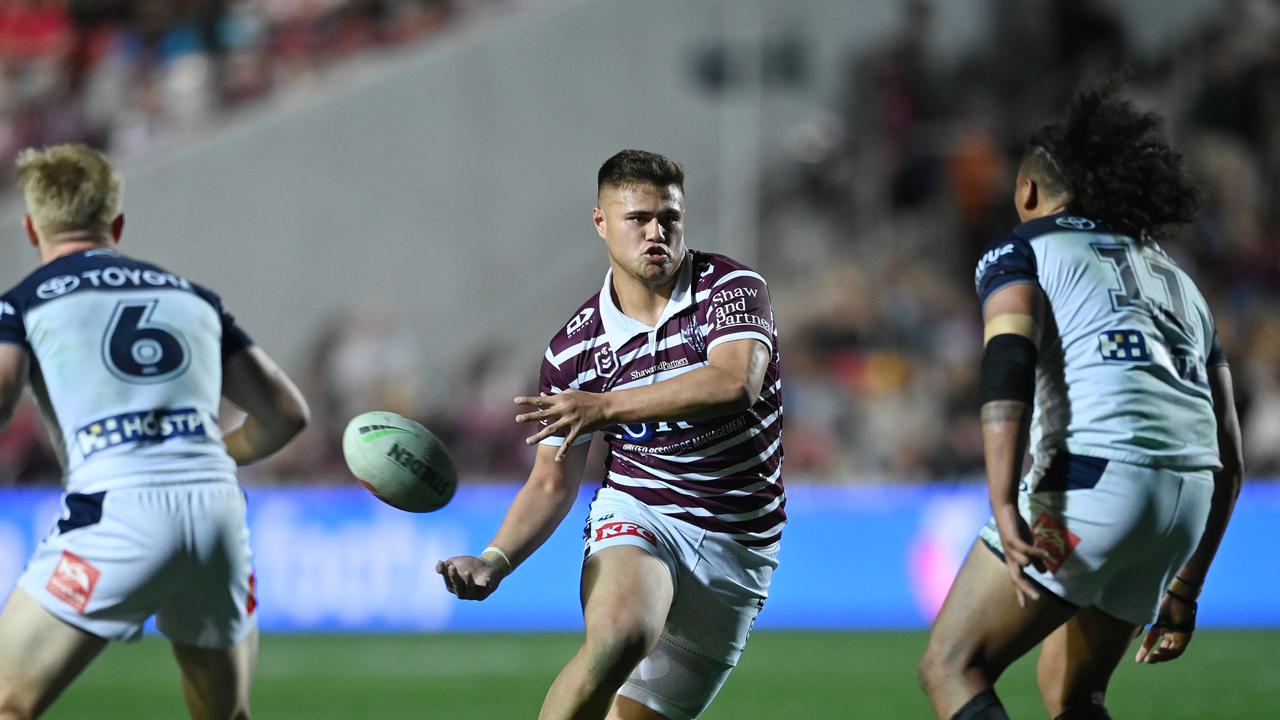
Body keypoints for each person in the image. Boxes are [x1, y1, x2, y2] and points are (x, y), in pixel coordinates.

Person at [918, 81, 1243, 720]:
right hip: (1187, 503)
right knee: (1073, 695)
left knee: (952, 666)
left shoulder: (1024, 249)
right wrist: (1188, 583)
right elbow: (1229, 454)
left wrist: (1004, 506)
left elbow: (1007, 363)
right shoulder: (1179, 280)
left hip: (1091, 483)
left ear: (1028, 192)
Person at [436, 149, 784, 720]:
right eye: (637, 219)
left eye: (668, 218)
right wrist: (495, 559)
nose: (656, 233)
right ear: (601, 222)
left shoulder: (731, 288)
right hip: (640, 512)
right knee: (619, 634)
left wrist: (607, 407)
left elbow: (734, 383)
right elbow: (550, 484)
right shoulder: (573, 350)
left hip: (739, 543)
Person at [0, 144, 309, 719]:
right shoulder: (193, 297)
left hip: (116, 509)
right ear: (115, 224)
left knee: (7, 703)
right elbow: (286, 413)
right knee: (225, 716)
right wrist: (218, 450)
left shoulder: (22, 303)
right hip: (217, 508)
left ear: (30, 228)